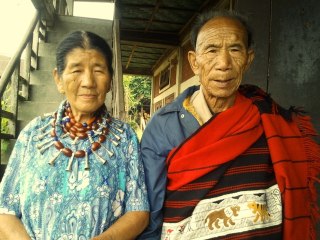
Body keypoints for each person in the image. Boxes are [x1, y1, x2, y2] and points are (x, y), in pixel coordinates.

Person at [139, 9, 320, 240]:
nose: (223, 63)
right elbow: (151, 214)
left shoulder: (269, 119)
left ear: (248, 59)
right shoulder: (164, 126)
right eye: (212, 50)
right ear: (194, 62)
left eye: (235, 50)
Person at [0, 31, 149, 239]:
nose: (88, 81)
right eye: (76, 70)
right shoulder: (33, 134)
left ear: (110, 80)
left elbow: (139, 211)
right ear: (58, 79)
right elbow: (4, 211)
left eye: (98, 70)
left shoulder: (124, 138)